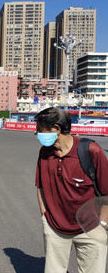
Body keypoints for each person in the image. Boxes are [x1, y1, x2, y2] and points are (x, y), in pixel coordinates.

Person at [35, 107, 108, 273]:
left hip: (90, 228)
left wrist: (101, 226)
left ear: (56, 129)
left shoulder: (91, 151)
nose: (38, 134)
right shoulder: (45, 153)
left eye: (40, 130)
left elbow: (106, 191)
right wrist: (45, 216)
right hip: (55, 227)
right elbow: (40, 185)